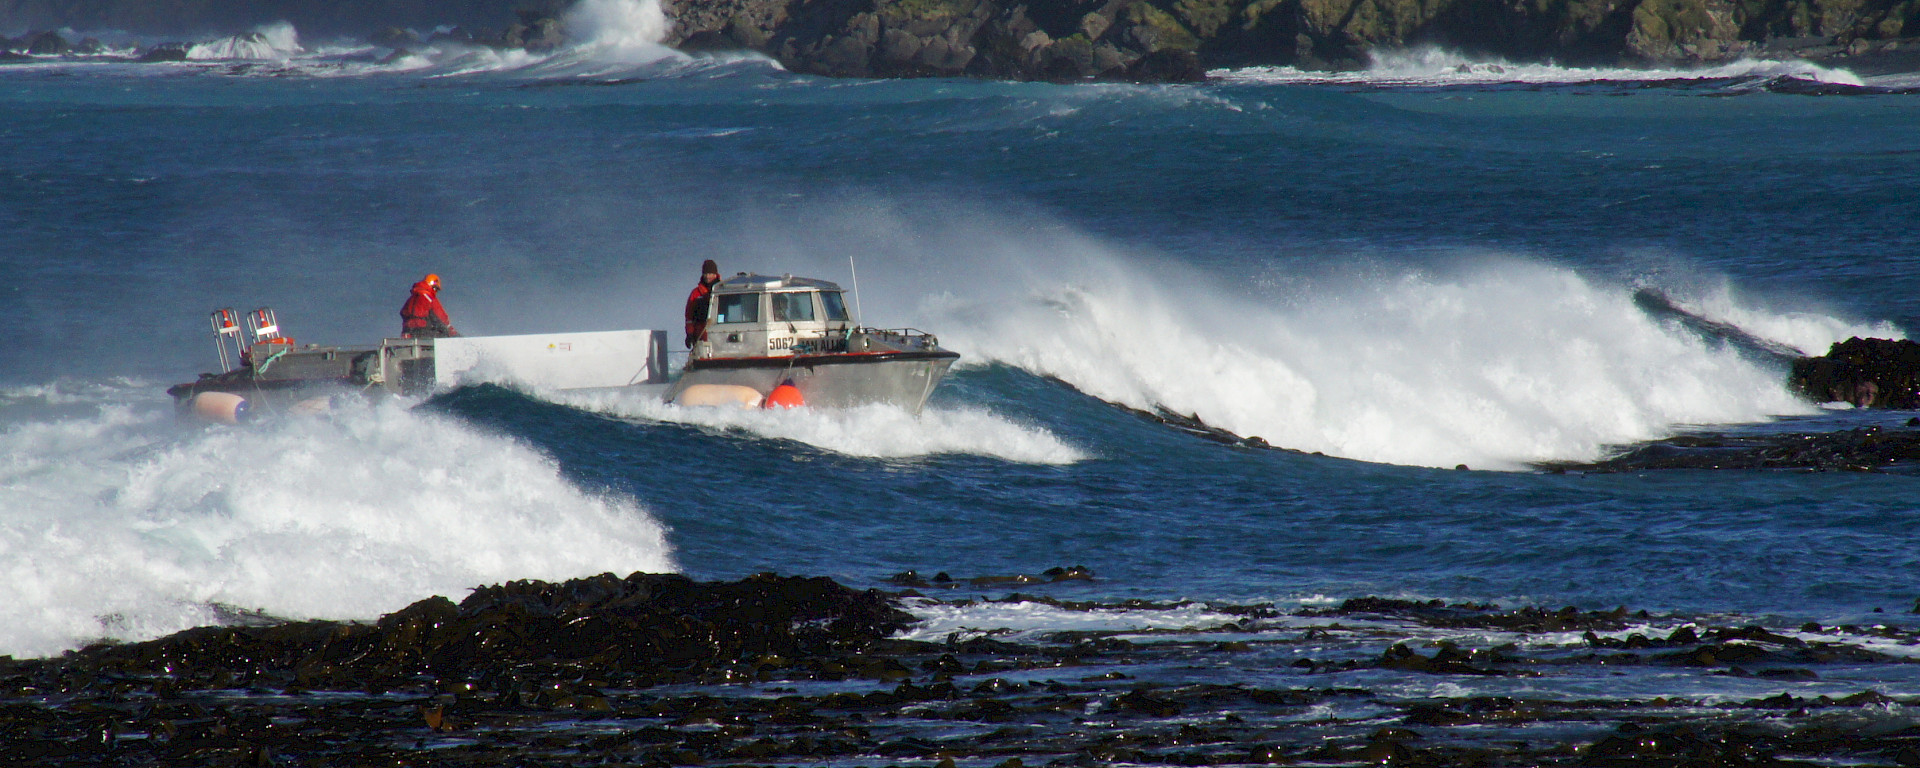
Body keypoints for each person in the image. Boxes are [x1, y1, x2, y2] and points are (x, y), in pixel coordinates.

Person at [400, 273, 459, 339]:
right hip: (424, 331)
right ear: (433, 286)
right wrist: (450, 330)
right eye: (436, 289)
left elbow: (403, 313)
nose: (436, 292)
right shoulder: (429, 298)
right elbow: (440, 316)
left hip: (408, 332)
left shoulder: (411, 299)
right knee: (445, 338)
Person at [684, 259, 720, 348]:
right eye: (706, 274)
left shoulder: (722, 291)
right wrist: (690, 334)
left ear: (715, 274)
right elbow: (689, 316)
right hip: (700, 335)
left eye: (710, 274)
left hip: (719, 335)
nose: (708, 276)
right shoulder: (696, 293)